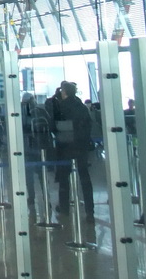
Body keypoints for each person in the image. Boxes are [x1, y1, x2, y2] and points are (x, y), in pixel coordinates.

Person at [51, 81, 94, 222]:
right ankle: (90, 210)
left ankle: (64, 208)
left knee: (64, 180)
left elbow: (55, 125)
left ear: (64, 92)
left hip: (66, 148)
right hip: (81, 147)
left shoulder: (62, 107)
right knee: (85, 179)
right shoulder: (81, 106)